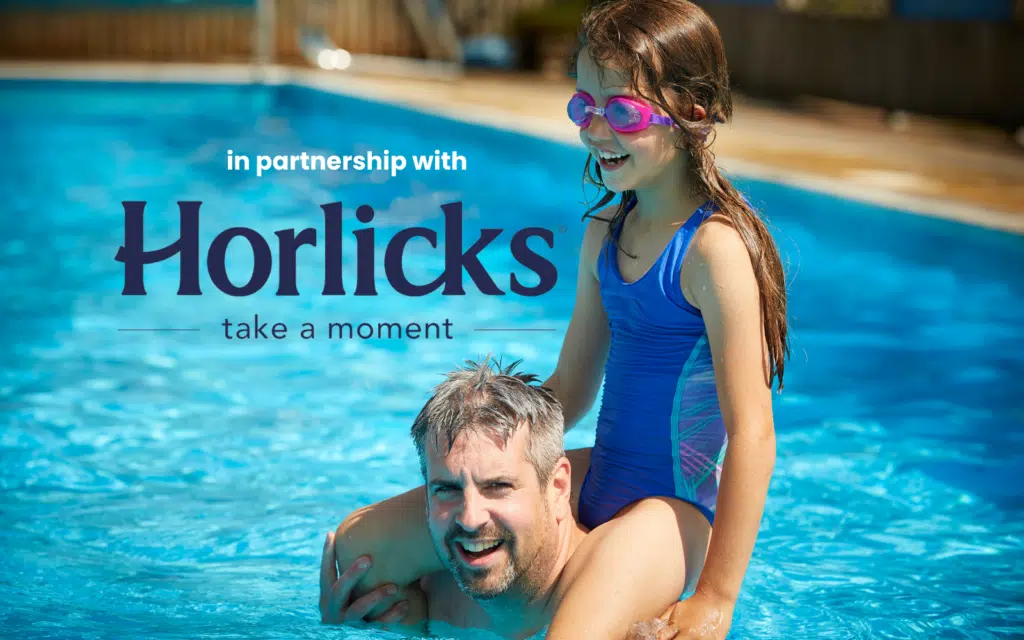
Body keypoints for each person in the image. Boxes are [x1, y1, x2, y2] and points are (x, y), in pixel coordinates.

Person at [323, 1, 789, 637]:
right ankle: (437, 607)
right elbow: (570, 388)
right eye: (584, 107)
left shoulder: (714, 250)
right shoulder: (607, 231)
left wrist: (715, 597)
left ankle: (515, 611)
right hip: (600, 474)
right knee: (356, 555)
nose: (597, 130)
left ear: (693, 116)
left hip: (671, 514)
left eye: (622, 110)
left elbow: (753, 436)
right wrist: (481, 461)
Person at [319, 359, 685, 640]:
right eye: (446, 489)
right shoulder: (433, 600)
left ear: (557, 487)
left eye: (497, 486)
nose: (471, 518)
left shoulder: (624, 595)